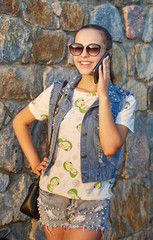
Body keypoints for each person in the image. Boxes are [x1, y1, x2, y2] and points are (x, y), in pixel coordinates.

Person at [13, 24, 136, 240]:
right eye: (78, 48)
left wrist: (103, 96)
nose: (84, 55)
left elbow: (109, 147)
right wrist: (34, 162)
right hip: (52, 195)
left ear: (109, 54)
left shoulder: (124, 100)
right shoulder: (58, 92)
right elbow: (20, 122)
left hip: (91, 201)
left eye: (93, 48)